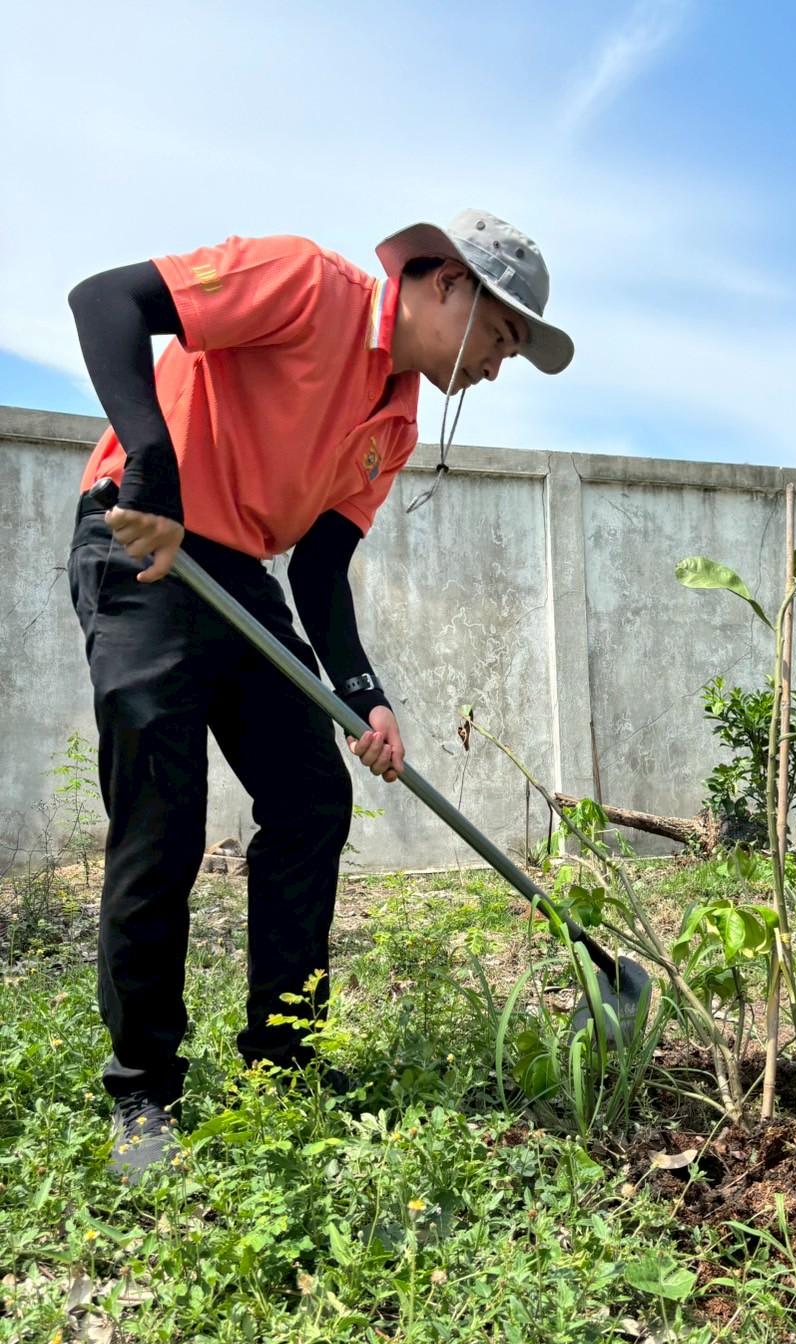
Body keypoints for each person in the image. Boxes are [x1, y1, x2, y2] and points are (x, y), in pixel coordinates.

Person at [66, 210, 574, 1180]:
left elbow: (324, 569)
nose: (497, 369)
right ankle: (142, 1085)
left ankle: (281, 1059)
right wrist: (154, 462)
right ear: (444, 284)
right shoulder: (305, 285)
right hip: (143, 542)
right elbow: (107, 301)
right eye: (501, 338)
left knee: (311, 799)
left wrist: (363, 694)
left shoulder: (397, 416)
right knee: (162, 818)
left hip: (240, 574)